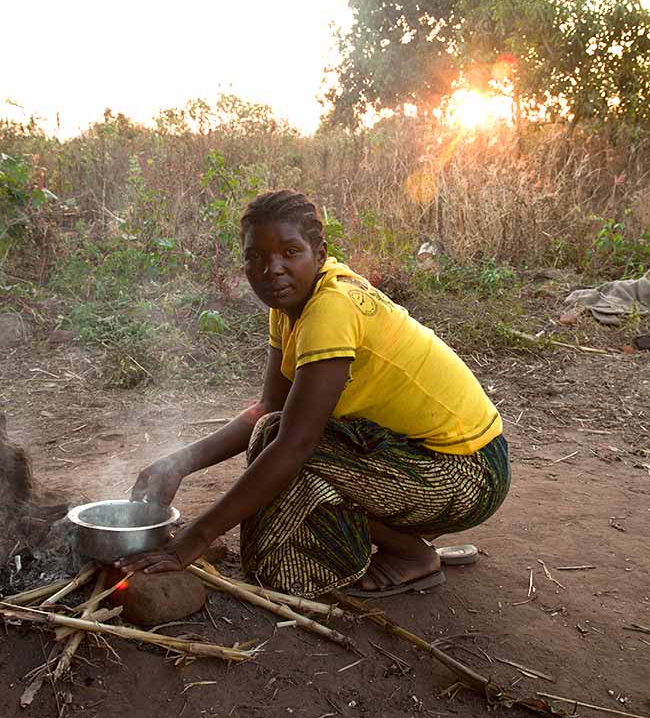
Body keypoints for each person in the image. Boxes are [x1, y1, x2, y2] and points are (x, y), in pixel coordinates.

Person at [117, 190, 510, 598]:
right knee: (273, 434)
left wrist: (193, 541)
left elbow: (297, 444)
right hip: (420, 458)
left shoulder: (331, 309)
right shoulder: (291, 304)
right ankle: (398, 541)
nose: (273, 269)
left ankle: (412, 554)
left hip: (467, 475)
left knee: (289, 450)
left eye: (290, 252)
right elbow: (270, 408)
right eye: (256, 257)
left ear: (319, 254)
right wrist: (176, 464)